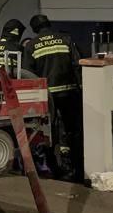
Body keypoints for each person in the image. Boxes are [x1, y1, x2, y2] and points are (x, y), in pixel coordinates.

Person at [23, 14, 83, 182]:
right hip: (69, 92)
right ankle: (78, 169)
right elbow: (77, 64)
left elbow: (28, 74)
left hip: (47, 96)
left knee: (49, 132)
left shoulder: (32, 46)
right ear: (48, 24)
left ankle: (54, 170)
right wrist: (80, 88)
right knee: (73, 131)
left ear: (34, 29)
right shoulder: (65, 39)